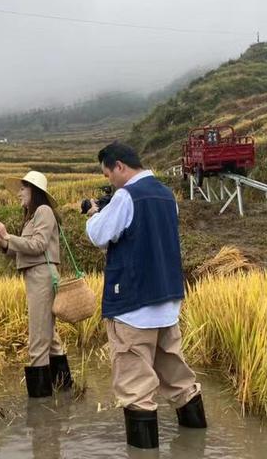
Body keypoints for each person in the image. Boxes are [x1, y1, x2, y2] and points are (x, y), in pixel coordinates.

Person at [85, 142, 206, 450]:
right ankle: (197, 444)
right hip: (167, 303)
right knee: (179, 380)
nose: (109, 180)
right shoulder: (167, 196)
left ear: (120, 166)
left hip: (133, 306)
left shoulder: (126, 196)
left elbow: (99, 235)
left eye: (108, 173)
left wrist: (94, 214)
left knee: (135, 390)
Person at [0, 171, 72, 398]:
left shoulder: (43, 211)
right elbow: (25, 250)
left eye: (23, 189)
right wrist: (3, 241)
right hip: (37, 275)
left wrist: (8, 236)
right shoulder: (33, 216)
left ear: (34, 190)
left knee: (37, 338)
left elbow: (38, 245)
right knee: (48, 335)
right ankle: (64, 391)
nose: (19, 194)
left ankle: (40, 403)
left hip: (41, 276)